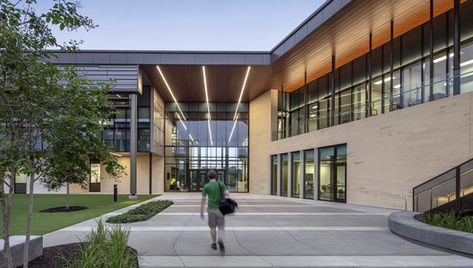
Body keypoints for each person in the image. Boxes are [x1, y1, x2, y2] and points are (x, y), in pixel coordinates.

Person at [200, 170, 229, 250]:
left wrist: (201, 211)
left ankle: (214, 243)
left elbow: (203, 199)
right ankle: (220, 240)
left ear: (208, 177)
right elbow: (227, 193)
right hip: (221, 209)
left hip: (211, 209)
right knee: (221, 227)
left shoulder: (207, 186)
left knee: (212, 227)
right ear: (216, 176)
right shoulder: (221, 184)